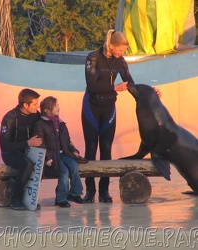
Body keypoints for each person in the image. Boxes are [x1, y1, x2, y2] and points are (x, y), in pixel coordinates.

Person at [81, 29, 135, 203]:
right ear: (111, 46)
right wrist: (114, 88)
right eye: (120, 50)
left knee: (106, 148)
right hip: (92, 107)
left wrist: (148, 92)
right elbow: (92, 85)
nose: (122, 53)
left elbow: (130, 82)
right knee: (90, 148)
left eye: (124, 51)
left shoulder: (120, 61)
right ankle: (90, 191)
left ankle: (104, 191)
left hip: (109, 108)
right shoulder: (93, 57)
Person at [33, 96, 85, 208]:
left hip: (63, 153)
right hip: (52, 156)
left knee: (73, 165)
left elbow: (67, 141)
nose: (58, 108)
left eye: (58, 105)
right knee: (64, 172)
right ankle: (61, 198)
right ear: (46, 110)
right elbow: (40, 144)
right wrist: (46, 158)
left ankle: (74, 193)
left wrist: (74, 151)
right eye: (55, 106)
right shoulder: (40, 124)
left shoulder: (61, 124)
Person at [0, 88, 42, 210]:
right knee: (27, 164)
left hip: (27, 151)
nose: (37, 106)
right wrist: (27, 143)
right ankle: (16, 198)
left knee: (41, 163)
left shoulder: (35, 115)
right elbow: (4, 145)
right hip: (10, 153)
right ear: (25, 105)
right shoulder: (10, 118)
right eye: (35, 104)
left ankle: (30, 198)